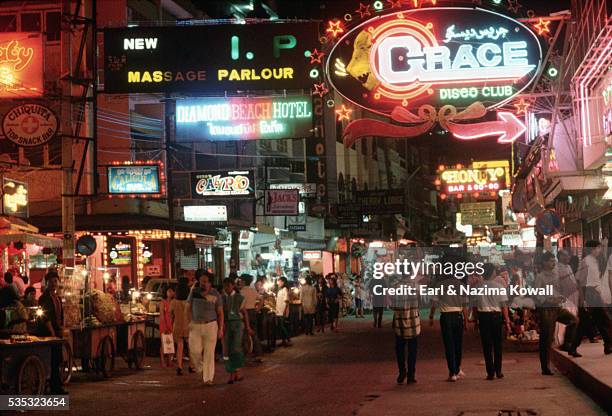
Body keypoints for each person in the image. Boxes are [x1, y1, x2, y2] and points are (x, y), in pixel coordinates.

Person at [534, 252, 579, 375]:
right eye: (551, 261)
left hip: (557, 307)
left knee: (574, 320)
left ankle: (567, 344)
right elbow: (537, 295)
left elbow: (559, 290)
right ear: (544, 262)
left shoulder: (556, 275)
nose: (553, 263)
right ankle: (545, 367)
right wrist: (549, 299)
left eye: (554, 261)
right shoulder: (540, 277)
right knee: (546, 339)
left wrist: (561, 297)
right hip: (546, 309)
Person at [429, 264, 469, 382]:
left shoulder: (439, 286)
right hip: (458, 316)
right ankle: (457, 368)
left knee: (449, 345)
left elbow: (434, 304)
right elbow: (465, 306)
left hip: (446, 317)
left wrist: (431, 317)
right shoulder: (461, 286)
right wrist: (466, 321)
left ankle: (452, 372)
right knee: (458, 344)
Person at [472, 264, 512, 380]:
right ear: (492, 273)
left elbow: (474, 306)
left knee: (486, 345)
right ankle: (498, 371)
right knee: (497, 344)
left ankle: (490, 372)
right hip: (496, 316)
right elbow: (504, 306)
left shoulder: (477, 287)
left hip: (483, 316)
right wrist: (507, 322)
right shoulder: (499, 287)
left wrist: (475, 320)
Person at [572, 241, 612, 355]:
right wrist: (582, 299)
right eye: (598, 248)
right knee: (600, 320)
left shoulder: (595, 261)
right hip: (589, 293)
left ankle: (608, 345)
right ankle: (608, 345)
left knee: (599, 321)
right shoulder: (586, 262)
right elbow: (579, 281)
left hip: (595, 292)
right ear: (593, 249)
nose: (600, 250)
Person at [186, 270, 224, 385]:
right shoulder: (194, 292)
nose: (203, 283)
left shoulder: (215, 294)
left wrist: (221, 328)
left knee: (209, 353)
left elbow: (220, 312)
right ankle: (201, 368)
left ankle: (208, 378)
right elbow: (187, 308)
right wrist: (189, 322)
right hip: (195, 325)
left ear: (210, 283)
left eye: (205, 281)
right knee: (194, 351)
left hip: (211, 325)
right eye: (201, 281)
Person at [221, 278, 253, 384]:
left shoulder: (240, 298)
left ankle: (237, 371)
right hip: (226, 324)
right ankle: (232, 373)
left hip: (238, 324)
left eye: (228, 286)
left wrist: (248, 327)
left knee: (236, 347)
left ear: (232, 286)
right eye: (225, 286)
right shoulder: (222, 298)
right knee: (227, 350)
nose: (226, 288)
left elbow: (244, 313)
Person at [392, 277, 421, 385]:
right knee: (412, 350)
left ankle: (402, 372)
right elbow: (420, 302)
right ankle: (411, 375)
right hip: (413, 323)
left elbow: (392, 305)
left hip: (399, 323)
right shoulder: (416, 287)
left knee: (400, 350)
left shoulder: (395, 287)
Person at [557, 250, 581, 355]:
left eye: (568, 255)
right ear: (560, 256)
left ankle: (570, 346)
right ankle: (567, 345)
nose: (568, 257)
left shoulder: (569, 267)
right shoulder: (557, 268)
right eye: (566, 255)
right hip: (564, 300)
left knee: (575, 322)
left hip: (573, 299)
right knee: (572, 321)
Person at [171, 279, 193, 375]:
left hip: (177, 325)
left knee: (179, 347)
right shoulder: (189, 302)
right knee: (190, 347)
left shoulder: (174, 302)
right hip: (188, 326)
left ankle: (179, 367)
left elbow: (171, 314)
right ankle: (191, 366)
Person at [239, 274, 263, 362]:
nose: (239, 282)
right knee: (254, 333)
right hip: (253, 312)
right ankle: (258, 353)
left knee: (245, 333)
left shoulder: (242, 292)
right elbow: (261, 299)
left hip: (245, 313)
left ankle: (246, 353)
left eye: (241, 280)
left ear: (244, 281)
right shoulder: (253, 290)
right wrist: (258, 309)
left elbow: (241, 306)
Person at [38, 271, 63, 338]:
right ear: (46, 283)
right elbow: (45, 317)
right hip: (48, 332)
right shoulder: (44, 298)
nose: (53, 284)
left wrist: (61, 328)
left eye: (55, 281)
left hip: (57, 330)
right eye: (51, 282)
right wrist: (52, 331)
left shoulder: (58, 297)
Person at [159, 286, 175, 368]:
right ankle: (162, 361)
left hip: (171, 324)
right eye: (169, 291)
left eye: (172, 291)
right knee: (164, 342)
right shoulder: (162, 302)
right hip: (164, 323)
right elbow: (162, 315)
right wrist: (165, 326)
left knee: (170, 343)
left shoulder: (173, 302)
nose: (171, 292)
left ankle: (169, 361)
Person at [274, 277, 292, 347]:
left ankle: (288, 339)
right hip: (278, 311)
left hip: (282, 311)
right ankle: (284, 341)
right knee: (281, 326)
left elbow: (286, 301)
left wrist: (284, 311)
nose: (278, 283)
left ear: (283, 282)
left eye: (279, 281)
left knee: (282, 326)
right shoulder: (279, 290)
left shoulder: (285, 289)